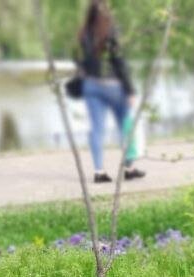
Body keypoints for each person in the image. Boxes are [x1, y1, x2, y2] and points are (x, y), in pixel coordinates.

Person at [77, 1, 144, 184]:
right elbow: (119, 61)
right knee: (125, 125)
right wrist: (130, 90)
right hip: (113, 86)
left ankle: (99, 172)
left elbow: (79, 60)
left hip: (91, 85)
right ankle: (129, 169)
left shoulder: (83, 34)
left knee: (96, 129)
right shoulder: (110, 31)